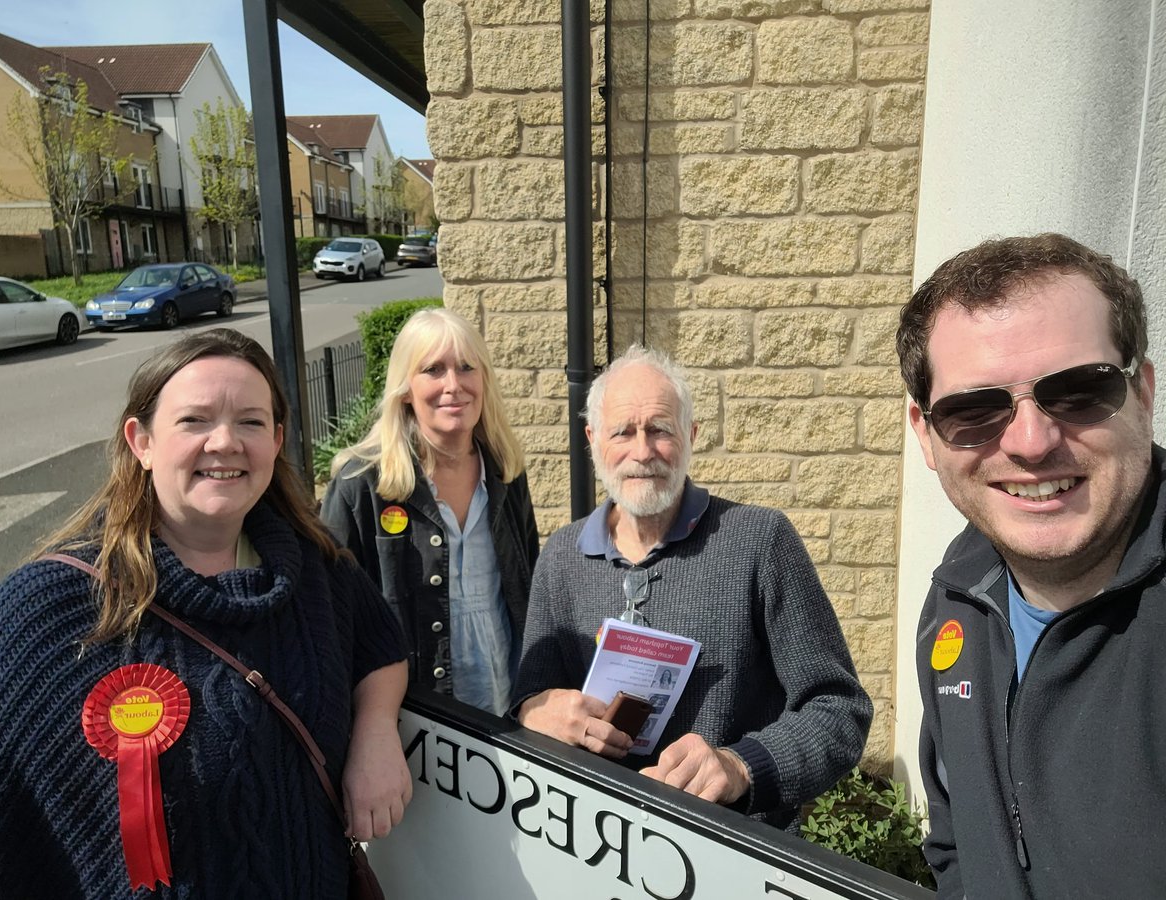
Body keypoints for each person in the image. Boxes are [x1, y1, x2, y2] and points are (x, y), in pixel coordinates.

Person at [0, 329, 411, 898]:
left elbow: (382, 647)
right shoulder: (46, 609)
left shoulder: (318, 571)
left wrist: (375, 733)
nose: (225, 441)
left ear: (277, 441)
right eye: (194, 420)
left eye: (251, 422)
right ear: (141, 441)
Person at [897, 233, 1166, 898]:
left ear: (1144, 393)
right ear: (925, 433)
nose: (1030, 442)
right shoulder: (958, 594)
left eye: (1078, 391)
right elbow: (957, 834)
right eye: (973, 410)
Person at [512, 345, 872, 829]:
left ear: (691, 435)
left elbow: (839, 711)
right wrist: (535, 712)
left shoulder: (760, 541)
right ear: (593, 439)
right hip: (595, 849)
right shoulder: (561, 556)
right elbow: (529, 699)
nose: (642, 452)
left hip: (729, 852)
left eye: (660, 429)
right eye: (623, 432)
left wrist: (743, 766)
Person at [322, 308, 539, 716]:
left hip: (508, 705)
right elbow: (330, 620)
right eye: (433, 370)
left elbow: (530, 588)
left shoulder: (507, 474)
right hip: (413, 720)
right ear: (405, 388)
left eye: (466, 367)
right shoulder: (362, 485)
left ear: (484, 379)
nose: (453, 385)